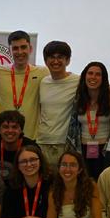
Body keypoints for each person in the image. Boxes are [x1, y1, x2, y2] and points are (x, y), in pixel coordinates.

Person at [0, 30, 48, 140]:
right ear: (10, 51)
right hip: (4, 136)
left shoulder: (43, 72)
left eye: (23, 47)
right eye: (15, 48)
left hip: (31, 138)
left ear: (30, 49)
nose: (20, 52)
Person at [37, 41, 80, 169]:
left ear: (67, 61)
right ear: (45, 61)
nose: (56, 61)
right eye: (52, 57)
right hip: (42, 141)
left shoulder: (78, 81)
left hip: (65, 143)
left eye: (60, 57)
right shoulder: (43, 82)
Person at [74, 62, 110, 179]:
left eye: (98, 74)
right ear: (85, 76)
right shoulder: (79, 99)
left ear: (103, 78)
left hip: (104, 150)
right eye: (90, 73)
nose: (93, 77)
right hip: (83, 149)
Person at [0, 111, 27, 183]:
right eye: (5, 127)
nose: (10, 130)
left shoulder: (30, 147)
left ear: (21, 130)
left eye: (14, 127)